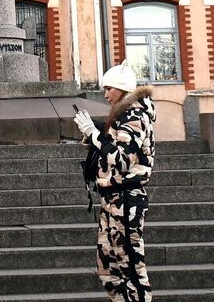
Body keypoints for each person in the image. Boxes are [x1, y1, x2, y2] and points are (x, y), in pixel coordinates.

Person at [75, 64, 156, 302]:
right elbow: (111, 151)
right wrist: (96, 137)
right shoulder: (122, 117)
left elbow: (120, 160)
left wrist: (95, 135)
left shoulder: (135, 117)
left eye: (109, 88)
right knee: (109, 269)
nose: (105, 94)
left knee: (131, 268)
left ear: (121, 89)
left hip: (126, 200)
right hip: (111, 200)